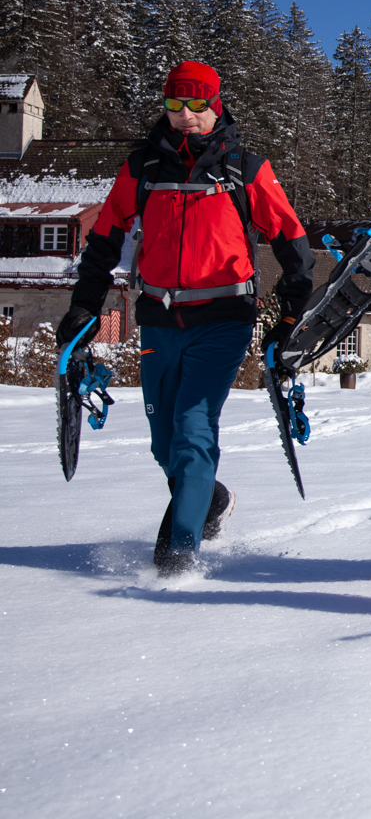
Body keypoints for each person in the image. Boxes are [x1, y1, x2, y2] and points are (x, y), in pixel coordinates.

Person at [58, 61, 315, 575]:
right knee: (163, 442)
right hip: (157, 319)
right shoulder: (142, 168)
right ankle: (210, 498)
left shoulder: (244, 166)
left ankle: (179, 555)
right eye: (175, 104)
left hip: (224, 319)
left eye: (197, 105)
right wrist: (84, 306)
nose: (186, 115)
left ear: (215, 105)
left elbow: (293, 241)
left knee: (193, 428)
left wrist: (292, 313)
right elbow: (104, 240)